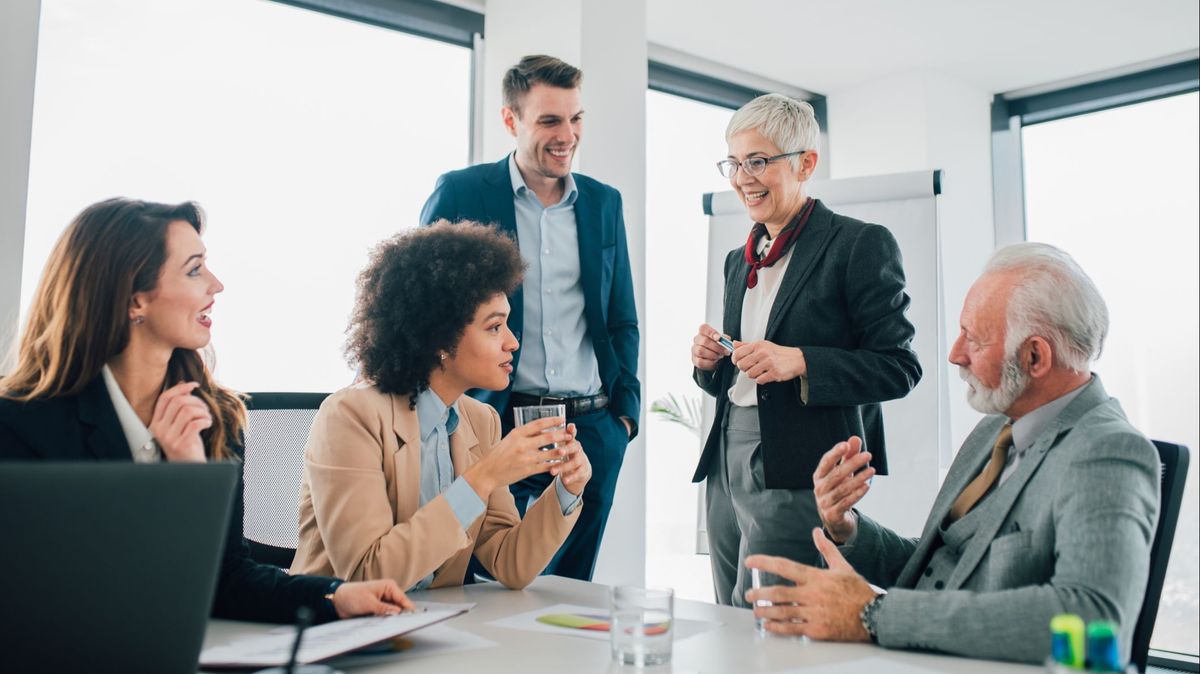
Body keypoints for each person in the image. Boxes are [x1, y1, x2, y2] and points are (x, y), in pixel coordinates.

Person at [0, 197, 412, 623]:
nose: (216, 285)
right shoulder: (21, 424)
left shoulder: (214, 416)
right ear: (133, 300)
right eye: (194, 269)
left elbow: (228, 580)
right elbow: (62, 590)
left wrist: (335, 596)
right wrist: (177, 487)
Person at [745, 243, 1159, 665]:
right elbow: (940, 569)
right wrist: (848, 527)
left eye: (974, 340)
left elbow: (1092, 617)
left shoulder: (1107, 452)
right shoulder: (994, 430)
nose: (955, 353)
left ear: (1035, 356)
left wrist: (873, 613)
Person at [690, 93, 922, 606]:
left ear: (805, 163)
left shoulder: (860, 244)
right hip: (727, 458)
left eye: (758, 161)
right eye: (734, 162)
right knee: (728, 613)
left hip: (799, 466)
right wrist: (709, 364)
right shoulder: (737, 258)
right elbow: (740, 372)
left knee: (773, 617)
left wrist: (800, 361)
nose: (742, 177)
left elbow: (900, 367)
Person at [418, 54, 639, 582]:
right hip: (498, 421)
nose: (568, 135)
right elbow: (421, 311)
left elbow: (620, 316)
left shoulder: (603, 204)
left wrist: (623, 420)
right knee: (492, 585)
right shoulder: (462, 192)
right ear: (510, 120)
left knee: (571, 591)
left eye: (576, 118)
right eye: (549, 121)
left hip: (591, 429)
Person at [289, 221, 591, 591]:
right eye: (494, 327)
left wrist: (566, 489)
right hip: (336, 632)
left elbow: (509, 563)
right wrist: (485, 477)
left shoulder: (481, 421)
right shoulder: (350, 417)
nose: (512, 342)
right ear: (441, 341)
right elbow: (367, 576)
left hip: (427, 625)